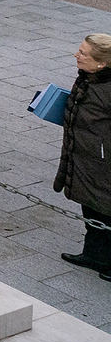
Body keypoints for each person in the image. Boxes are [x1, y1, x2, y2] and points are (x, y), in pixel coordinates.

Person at [54, 33, 111, 278]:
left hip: (103, 161)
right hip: (85, 155)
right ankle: (94, 255)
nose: (76, 55)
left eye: (83, 53)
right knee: (91, 206)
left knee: (106, 209)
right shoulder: (89, 77)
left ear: (102, 63)